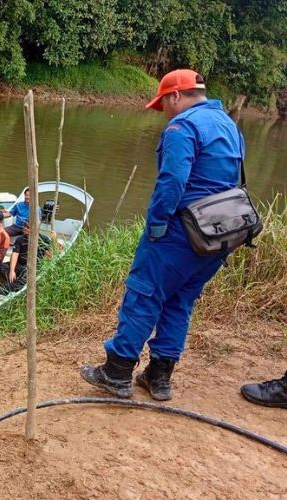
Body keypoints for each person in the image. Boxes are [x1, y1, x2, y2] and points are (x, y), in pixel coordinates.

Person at [81, 69, 243, 401]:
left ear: (175, 96)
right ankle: (159, 376)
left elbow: (172, 182)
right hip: (218, 234)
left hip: (179, 232)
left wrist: (156, 226)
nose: (163, 113)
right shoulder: (229, 125)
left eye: (163, 104)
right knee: (180, 302)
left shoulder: (183, 127)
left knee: (143, 296)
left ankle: (117, 372)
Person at [0, 222, 51, 293]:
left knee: (26, 274)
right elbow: (15, 254)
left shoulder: (44, 240)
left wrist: (54, 241)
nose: (25, 228)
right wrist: (12, 270)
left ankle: (5, 289)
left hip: (33, 267)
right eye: (24, 225)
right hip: (20, 265)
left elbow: (51, 255)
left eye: (28, 227)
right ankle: (16, 283)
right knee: (2, 266)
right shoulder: (20, 239)